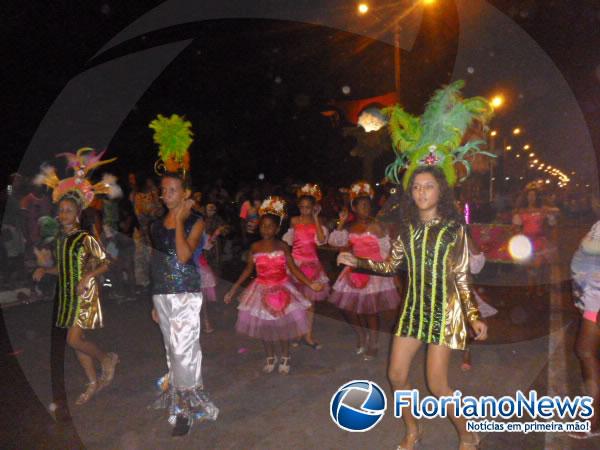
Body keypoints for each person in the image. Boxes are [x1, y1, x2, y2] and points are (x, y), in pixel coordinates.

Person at [338, 81, 492, 450]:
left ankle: (467, 432)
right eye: (417, 187)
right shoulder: (407, 230)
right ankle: (413, 429)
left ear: (441, 190)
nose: (422, 192)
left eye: (428, 186)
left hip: (445, 312)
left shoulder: (455, 229)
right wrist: (356, 260)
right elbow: (391, 266)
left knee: (438, 385)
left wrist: (472, 315)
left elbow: (460, 276)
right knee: (395, 375)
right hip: (412, 311)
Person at [32, 149, 121, 406]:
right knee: (75, 342)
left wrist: (87, 277)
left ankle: (106, 358)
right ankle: (92, 382)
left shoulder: (85, 238)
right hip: (68, 294)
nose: (63, 215)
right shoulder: (61, 240)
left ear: (77, 214)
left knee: (73, 338)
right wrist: (44, 270)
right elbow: (63, 269)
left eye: (68, 211)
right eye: (61, 211)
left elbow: (106, 263)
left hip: (85, 292)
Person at [147, 113, 218, 437]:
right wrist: (153, 299)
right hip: (163, 295)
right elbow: (157, 262)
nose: (166, 195)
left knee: (184, 351)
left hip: (187, 295)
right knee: (170, 350)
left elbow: (185, 255)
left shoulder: (196, 220)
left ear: (183, 192)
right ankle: (179, 400)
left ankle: (187, 409)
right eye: (164, 190)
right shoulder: (152, 225)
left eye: (172, 190)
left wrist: (179, 218)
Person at [225, 197, 322, 374]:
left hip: (283, 289)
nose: (266, 229)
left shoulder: (283, 246)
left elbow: (294, 269)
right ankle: (270, 356)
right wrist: (233, 289)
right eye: (263, 226)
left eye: (270, 226)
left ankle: (285, 355)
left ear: (277, 229)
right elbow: (248, 270)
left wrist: (310, 284)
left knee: (282, 326)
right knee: (265, 327)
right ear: (258, 227)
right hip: (261, 289)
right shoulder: (255, 247)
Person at [329, 181, 401, 360]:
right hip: (353, 271)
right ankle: (362, 335)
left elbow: (387, 251)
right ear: (354, 208)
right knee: (349, 309)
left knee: (370, 310)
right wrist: (341, 223)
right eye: (361, 205)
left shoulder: (377, 226)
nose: (366, 208)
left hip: (373, 270)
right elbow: (336, 243)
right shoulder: (350, 227)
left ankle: (374, 342)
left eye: (368, 204)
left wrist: (392, 274)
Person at [282, 184, 330, 349]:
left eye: (308, 207)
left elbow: (322, 240)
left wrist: (316, 218)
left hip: (312, 265)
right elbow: (288, 243)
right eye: (302, 207)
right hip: (295, 265)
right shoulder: (294, 221)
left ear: (313, 208)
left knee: (310, 304)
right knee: (296, 301)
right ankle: (297, 332)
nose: (304, 210)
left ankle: (308, 336)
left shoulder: (318, 222)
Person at [569, 221, 600, 439]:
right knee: (586, 352)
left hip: (597, 301)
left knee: (585, 351)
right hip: (592, 299)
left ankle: (593, 421)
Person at [512, 187, 556, 297]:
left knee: (538, 266)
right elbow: (516, 226)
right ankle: (531, 288)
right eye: (529, 195)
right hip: (527, 243)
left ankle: (539, 287)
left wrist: (550, 216)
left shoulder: (542, 210)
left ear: (537, 197)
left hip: (539, 241)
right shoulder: (522, 211)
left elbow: (552, 222)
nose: (531, 197)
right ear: (526, 197)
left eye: (534, 195)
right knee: (529, 267)